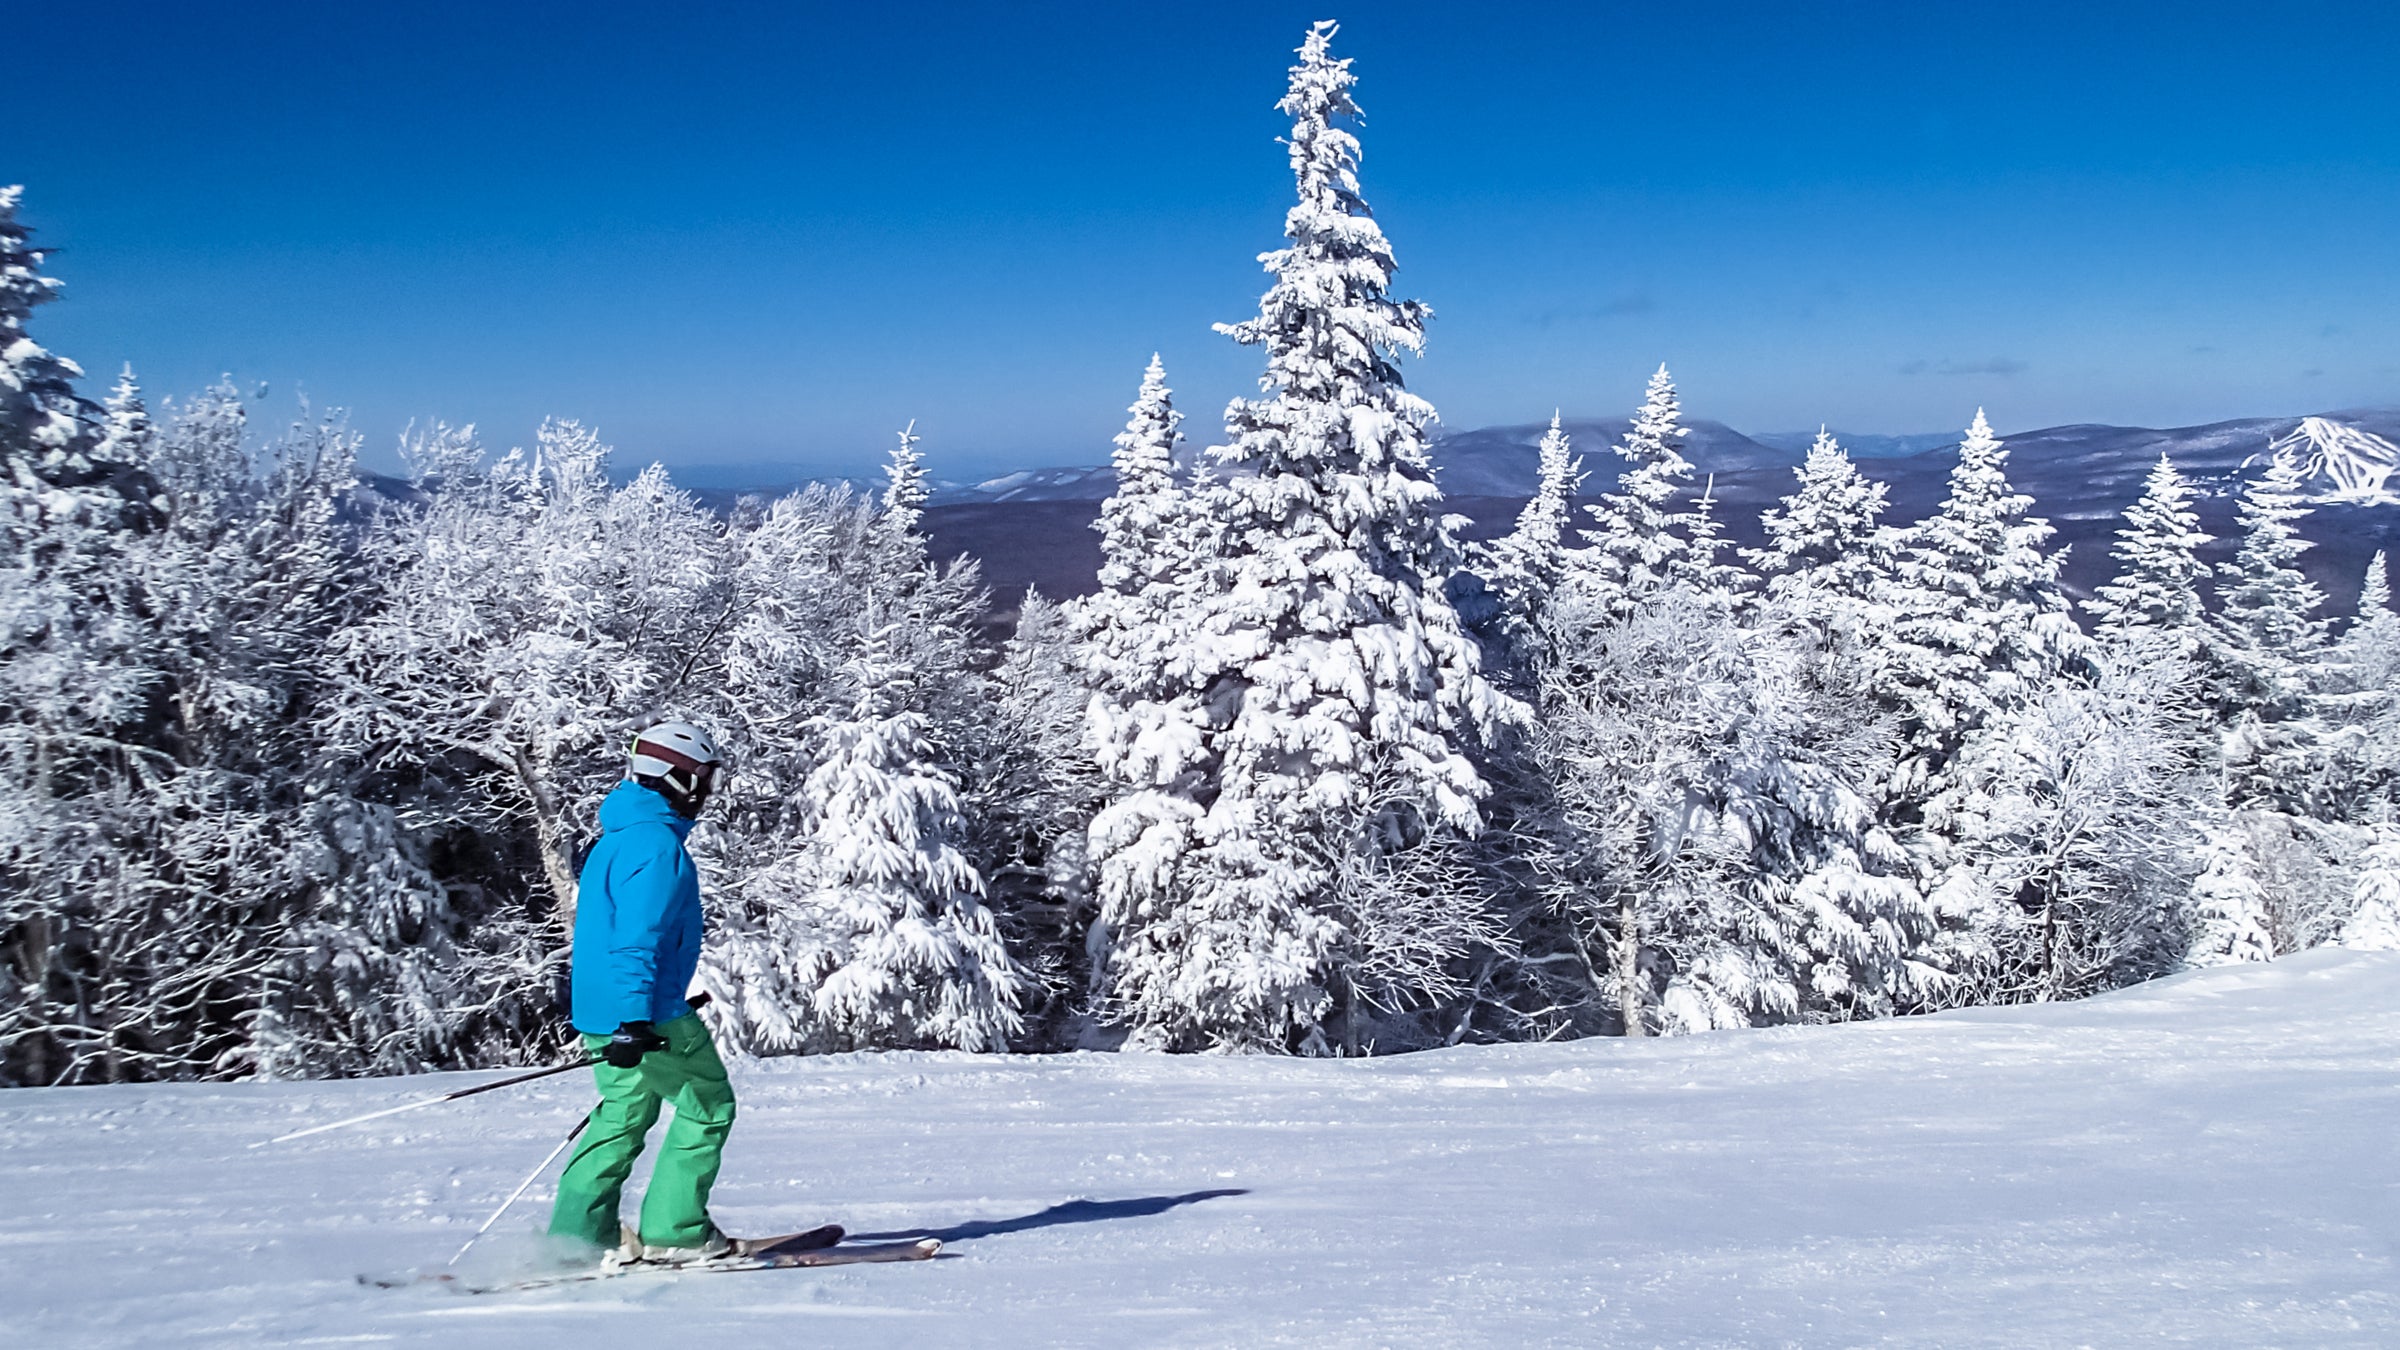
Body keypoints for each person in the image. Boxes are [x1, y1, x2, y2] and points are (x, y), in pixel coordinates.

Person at [547, 719, 737, 1263]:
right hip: (646, 1014)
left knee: (622, 1113)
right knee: (708, 1104)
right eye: (701, 776)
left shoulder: (622, 835)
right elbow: (637, 937)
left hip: (602, 1010)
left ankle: (576, 1238)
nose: (706, 790)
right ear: (674, 777)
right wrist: (636, 1017)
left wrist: (619, 1013)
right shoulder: (656, 846)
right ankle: (674, 1232)